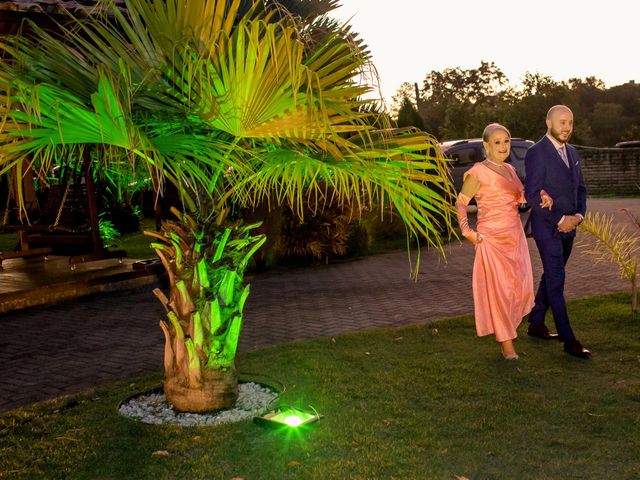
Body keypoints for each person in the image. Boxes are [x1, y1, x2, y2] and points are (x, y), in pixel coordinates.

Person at [456, 123, 551, 360]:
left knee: (518, 287)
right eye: (497, 142)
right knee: (499, 291)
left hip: (514, 236)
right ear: (486, 145)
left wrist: (543, 195)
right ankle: (506, 344)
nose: (503, 146)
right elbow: (461, 203)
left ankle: (509, 330)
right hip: (492, 239)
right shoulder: (478, 171)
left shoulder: (509, 168)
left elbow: (522, 195)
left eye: (506, 141)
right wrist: (468, 232)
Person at [524, 105, 590, 358]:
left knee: (551, 276)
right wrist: (560, 218)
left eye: (570, 122)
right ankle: (569, 339)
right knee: (557, 280)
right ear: (548, 122)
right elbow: (532, 193)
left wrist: (577, 217)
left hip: (570, 227)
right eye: (561, 122)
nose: (566, 127)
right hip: (547, 228)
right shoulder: (536, 152)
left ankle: (536, 322)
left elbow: (580, 189)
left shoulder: (572, 151)